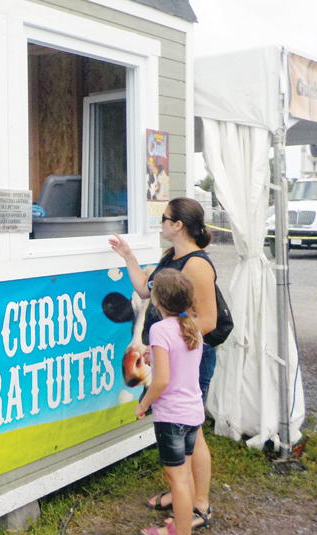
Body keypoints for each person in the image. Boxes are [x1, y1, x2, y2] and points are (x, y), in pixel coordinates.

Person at [109, 197, 217, 532]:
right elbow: (145, 289)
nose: (161, 223)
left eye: (165, 218)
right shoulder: (171, 257)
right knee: (188, 435)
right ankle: (181, 492)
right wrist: (128, 256)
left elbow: (209, 321)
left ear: (178, 225)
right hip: (172, 354)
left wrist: (167, 342)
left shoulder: (198, 264)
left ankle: (199, 504)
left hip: (189, 356)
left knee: (193, 434)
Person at [135, 269, 205, 535]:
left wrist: (143, 405)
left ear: (157, 300)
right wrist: (154, 356)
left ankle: (181, 531)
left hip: (172, 418)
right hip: (193, 413)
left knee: (177, 482)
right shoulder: (192, 327)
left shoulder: (159, 330)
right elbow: (181, 364)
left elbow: (162, 380)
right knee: (183, 477)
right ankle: (180, 526)